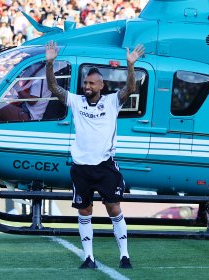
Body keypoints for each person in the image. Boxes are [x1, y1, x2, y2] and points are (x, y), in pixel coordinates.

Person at [45, 40, 145, 269]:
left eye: (91, 83)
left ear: (101, 85)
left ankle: (125, 256)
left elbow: (130, 88)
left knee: (114, 208)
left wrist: (130, 65)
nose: (87, 86)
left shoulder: (112, 102)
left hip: (105, 166)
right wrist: (49, 63)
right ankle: (88, 257)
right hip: (81, 168)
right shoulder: (77, 102)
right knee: (84, 210)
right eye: (85, 82)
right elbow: (53, 88)